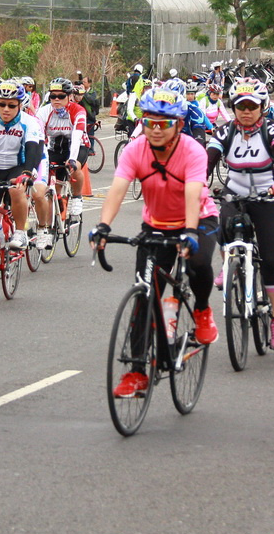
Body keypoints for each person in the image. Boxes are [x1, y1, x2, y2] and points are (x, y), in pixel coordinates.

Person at [91, 87, 221, 398]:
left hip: (197, 219)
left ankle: (202, 310)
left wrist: (189, 232)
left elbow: (193, 194)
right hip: (157, 225)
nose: (156, 130)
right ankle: (137, 372)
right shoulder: (136, 149)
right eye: (150, 122)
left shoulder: (193, 151)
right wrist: (103, 226)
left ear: (178, 124)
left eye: (163, 124)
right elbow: (118, 189)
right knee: (144, 296)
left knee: (199, 263)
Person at [207, 78, 274, 349]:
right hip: (235, 192)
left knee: (269, 261)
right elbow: (206, 161)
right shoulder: (225, 131)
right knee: (222, 227)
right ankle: (228, 265)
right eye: (240, 106)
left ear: (262, 107)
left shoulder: (272, 130)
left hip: (267, 196)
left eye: (251, 106)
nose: (245, 111)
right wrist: (197, 185)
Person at [0, 80, 45, 251]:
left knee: (16, 188)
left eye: (11, 106)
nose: (6, 109)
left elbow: (34, 147)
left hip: (17, 166)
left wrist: (27, 172)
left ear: (20, 105)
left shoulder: (29, 122)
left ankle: (20, 232)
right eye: (1, 104)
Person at [35, 78, 88, 243]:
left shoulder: (78, 111)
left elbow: (77, 135)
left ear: (69, 96)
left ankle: (77, 198)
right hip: (54, 148)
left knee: (75, 168)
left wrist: (72, 159)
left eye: (61, 96)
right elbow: (38, 138)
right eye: (53, 96)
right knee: (52, 190)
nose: (56, 99)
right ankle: (49, 229)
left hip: (77, 145)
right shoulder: (44, 112)